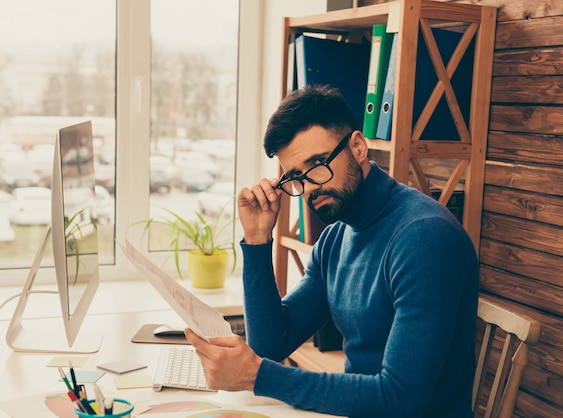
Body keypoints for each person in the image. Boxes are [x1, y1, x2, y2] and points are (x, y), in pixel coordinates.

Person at [185, 85, 479, 417]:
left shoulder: (425, 237)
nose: (310, 186)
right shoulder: (337, 237)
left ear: (357, 146)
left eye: (318, 163)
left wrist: (258, 375)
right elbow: (270, 345)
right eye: (296, 177)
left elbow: (400, 399)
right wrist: (256, 239)